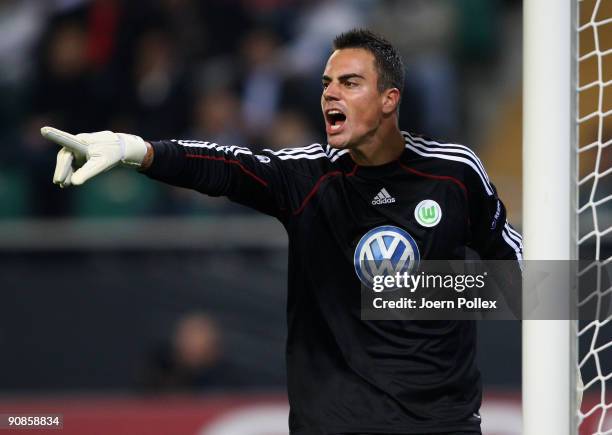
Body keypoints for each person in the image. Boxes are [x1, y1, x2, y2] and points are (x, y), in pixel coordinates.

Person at [41, 29, 522, 435]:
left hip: (441, 426)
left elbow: (525, 282)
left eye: (350, 82)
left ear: (389, 99)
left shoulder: (454, 173)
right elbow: (226, 167)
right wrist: (134, 148)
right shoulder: (307, 177)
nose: (330, 93)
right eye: (326, 83)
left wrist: (411, 291)